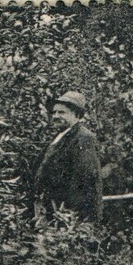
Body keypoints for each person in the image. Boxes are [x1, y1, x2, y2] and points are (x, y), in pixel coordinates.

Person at [33, 90, 103, 220]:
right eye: (54, 112)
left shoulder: (83, 138)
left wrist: (70, 215)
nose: (55, 116)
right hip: (51, 210)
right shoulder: (60, 136)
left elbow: (83, 180)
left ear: (76, 115)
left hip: (66, 214)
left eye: (62, 112)